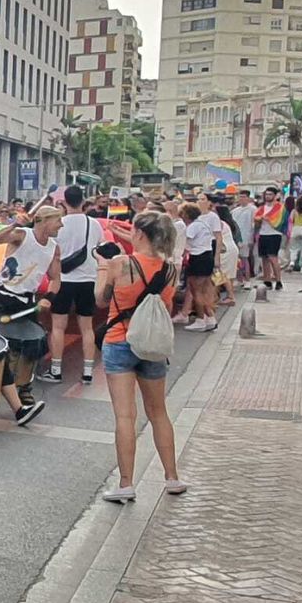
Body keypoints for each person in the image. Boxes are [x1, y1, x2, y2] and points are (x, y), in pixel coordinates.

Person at [94, 211, 187, 503]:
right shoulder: (171, 269)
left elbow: (101, 299)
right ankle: (172, 476)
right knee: (158, 412)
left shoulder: (121, 265)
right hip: (152, 346)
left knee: (125, 415)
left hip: (120, 340)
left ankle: (126, 483)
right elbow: (165, 305)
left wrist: (102, 268)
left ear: (140, 235)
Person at [0, 205, 59, 421]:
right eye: (58, 221)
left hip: (28, 300)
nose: (61, 225)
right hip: (3, 295)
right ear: (44, 221)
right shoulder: (21, 235)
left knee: (33, 343)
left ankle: (24, 388)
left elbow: (55, 278)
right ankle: (1, 385)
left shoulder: (54, 247)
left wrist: (49, 298)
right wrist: (15, 223)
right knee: (4, 344)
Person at [42, 186, 100, 384]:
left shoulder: (59, 224)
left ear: (64, 202)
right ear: (83, 201)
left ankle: (56, 370)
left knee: (58, 326)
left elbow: (51, 251)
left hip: (63, 280)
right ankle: (87, 372)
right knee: (87, 327)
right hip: (88, 279)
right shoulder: (95, 224)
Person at [179, 197, 219, 331]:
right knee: (204, 290)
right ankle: (210, 317)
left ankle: (201, 319)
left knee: (196, 290)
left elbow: (185, 244)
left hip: (198, 257)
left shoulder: (193, 226)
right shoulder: (203, 224)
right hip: (207, 256)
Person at [255, 187, 287, 290]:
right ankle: (267, 280)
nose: (268, 196)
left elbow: (280, 221)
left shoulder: (280, 207)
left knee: (273, 258)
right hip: (263, 234)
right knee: (264, 258)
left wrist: (268, 219)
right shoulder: (261, 208)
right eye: (266, 194)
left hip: (274, 234)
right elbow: (256, 220)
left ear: (275, 196)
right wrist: (259, 220)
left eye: (270, 194)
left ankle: (278, 280)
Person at [231, 190, 257, 287]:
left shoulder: (253, 209)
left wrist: (252, 238)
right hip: (235, 237)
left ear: (248, 198)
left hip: (246, 236)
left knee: (245, 258)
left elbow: (254, 225)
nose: (241, 199)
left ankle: (247, 280)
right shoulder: (235, 210)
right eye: (240, 196)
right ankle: (239, 279)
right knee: (236, 259)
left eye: (244, 197)